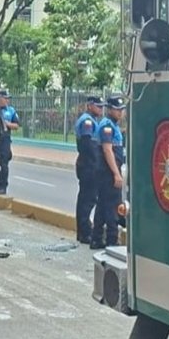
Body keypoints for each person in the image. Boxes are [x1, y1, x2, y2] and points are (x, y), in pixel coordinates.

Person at [91, 96, 127, 250]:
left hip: (106, 172)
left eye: (121, 110)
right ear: (110, 109)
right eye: (117, 109)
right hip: (108, 172)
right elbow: (107, 150)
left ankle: (96, 238)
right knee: (113, 206)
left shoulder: (113, 125)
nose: (120, 112)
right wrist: (116, 174)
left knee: (102, 205)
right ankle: (112, 240)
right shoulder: (107, 126)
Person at [74, 96, 103, 244]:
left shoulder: (91, 120)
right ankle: (85, 233)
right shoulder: (87, 121)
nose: (101, 109)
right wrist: (97, 163)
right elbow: (88, 145)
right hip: (88, 165)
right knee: (88, 199)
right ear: (90, 106)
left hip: (87, 164)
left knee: (86, 198)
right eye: (98, 106)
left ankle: (83, 231)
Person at [0, 90, 19, 195]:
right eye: (5, 98)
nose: (7, 101)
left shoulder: (11, 111)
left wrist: (7, 124)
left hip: (5, 139)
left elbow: (16, 125)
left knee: (4, 164)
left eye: (8, 98)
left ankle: (2, 187)